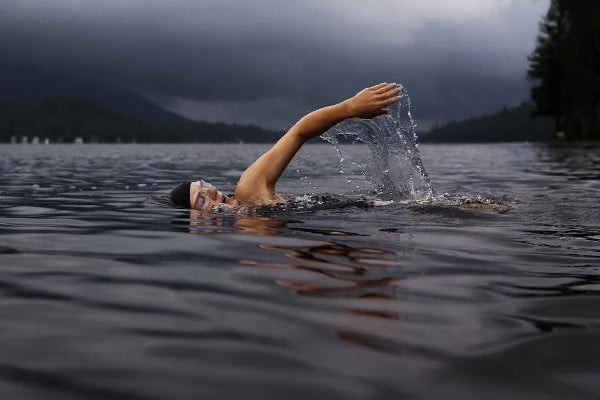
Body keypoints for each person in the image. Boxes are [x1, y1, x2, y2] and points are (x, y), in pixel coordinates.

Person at [170, 82, 401, 211]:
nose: (211, 191)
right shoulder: (247, 222)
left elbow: (299, 132)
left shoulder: (249, 191)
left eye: (205, 185)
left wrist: (350, 107)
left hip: (387, 210)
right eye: (201, 199)